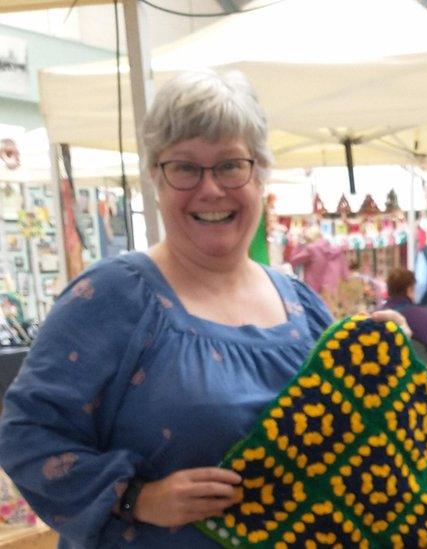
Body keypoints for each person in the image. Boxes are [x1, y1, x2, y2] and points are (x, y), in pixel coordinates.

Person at [0, 70, 406, 548]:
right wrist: (135, 497)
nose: (211, 189)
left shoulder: (302, 306)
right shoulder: (112, 298)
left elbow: (348, 448)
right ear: (156, 178)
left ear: (260, 175)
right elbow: (26, 434)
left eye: (231, 165)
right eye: (185, 168)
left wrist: (380, 371)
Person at [382, 268, 427, 363]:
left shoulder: (375, 318)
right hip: (421, 372)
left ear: (388, 290)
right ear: (409, 289)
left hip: (387, 373)